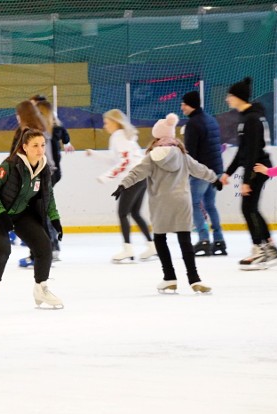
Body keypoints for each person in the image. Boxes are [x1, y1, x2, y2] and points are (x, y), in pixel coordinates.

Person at [114, 113, 222, 294]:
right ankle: (194, 278)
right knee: (184, 240)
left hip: (161, 203)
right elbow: (199, 169)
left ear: (156, 135)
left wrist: (123, 185)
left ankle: (169, 278)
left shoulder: (151, 156)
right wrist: (214, 179)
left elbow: (137, 172)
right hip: (182, 202)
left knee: (160, 238)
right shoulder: (182, 155)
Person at [0, 128, 64, 310]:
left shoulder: (43, 167)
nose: (40, 149)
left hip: (21, 214)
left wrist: (55, 218)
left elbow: (48, 195)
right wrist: (1, 213)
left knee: (44, 246)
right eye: (35, 145)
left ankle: (41, 288)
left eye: (43, 145)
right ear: (25, 147)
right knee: (3, 250)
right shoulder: (10, 165)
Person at [219, 77, 277, 269]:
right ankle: (269, 247)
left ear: (238, 97)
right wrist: (227, 173)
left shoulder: (252, 120)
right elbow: (242, 151)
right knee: (251, 208)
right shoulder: (245, 118)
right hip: (255, 167)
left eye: (230, 96)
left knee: (248, 208)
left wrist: (246, 180)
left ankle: (259, 250)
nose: (227, 99)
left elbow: (253, 151)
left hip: (258, 168)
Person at [89, 109, 156, 262]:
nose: (105, 126)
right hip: (142, 176)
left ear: (115, 122)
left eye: (106, 123)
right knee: (135, 212)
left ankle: (128, 249)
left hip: (133, 178)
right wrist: (94, 154)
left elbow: (124, 162)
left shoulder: (118, 136)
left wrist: (106, 177)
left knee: (123, 213)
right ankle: (152, 246)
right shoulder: (126, 136)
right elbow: (115, 159)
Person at [8, 100, 59, 267]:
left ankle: (39, 254)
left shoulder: (27, 133)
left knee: (33, 218)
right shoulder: (42, 129)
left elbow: (18, 158)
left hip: (34, 177)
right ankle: (45, 251)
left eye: (18, 114)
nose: (16, 117)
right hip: (43, 175)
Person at [181, 91, 226, 256]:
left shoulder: (193, 124)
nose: (182, 107)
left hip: (202, 172)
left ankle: (203, 239)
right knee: (210, 205)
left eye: (183, 104)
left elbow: (190, 152)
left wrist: (187, 172)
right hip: (216, 169)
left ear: (190, 104)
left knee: (194, 204)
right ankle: (219, 240)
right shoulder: (211, 119)